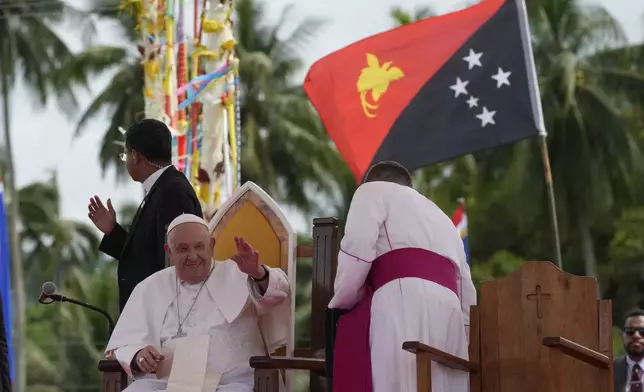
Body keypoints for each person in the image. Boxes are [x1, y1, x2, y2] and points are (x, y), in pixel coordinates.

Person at [328, 161, 476, 392]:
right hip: (449, 313)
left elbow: (357, 248)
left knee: (401, 379)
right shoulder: (444, 219)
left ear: (373, 180)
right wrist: (464, 335)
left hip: (401, 301)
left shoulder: (371, 191)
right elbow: (466, 288)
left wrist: (343, 301)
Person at [105, 213, 291, 391]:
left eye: (199, 247)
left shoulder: (238, 273)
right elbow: (124, 345)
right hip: (167, 385)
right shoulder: (150, 287)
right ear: (169, 251)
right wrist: (138, 355)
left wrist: (258, 273)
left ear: (211, 245)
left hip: (234, 383)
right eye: (183, 249)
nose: (193, 256)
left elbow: (279, 293)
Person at [87, 119, 203, 311]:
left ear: (135, 157)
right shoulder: (161, 189)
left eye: (125, 156)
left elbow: (174, 262)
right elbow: (144, 255)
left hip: (164, 316)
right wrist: (113, 231)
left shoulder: (172, 192)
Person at [614, 309, 644, 392]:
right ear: (622, 336)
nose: (636, 336)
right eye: (630, 331)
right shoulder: (611, 370)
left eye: (642, 331)